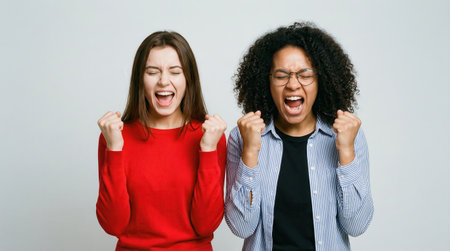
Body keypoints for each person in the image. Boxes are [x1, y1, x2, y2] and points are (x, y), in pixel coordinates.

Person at [225, 22, 374, 251]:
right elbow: (241, 228)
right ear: (267, 81)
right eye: (281, 75)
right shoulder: (242, 137)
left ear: (321, 80)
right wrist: (250, 153)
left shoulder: (349, 136)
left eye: (305, 75)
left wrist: (346, 152)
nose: (293, 85)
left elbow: (356, 225)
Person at [96, 31, 227, 251]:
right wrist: (115, 149)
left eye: (175, 72)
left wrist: (208, 149)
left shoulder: (210, 136)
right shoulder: (115, 136)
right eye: (152, 72)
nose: (163, 81)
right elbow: (113, 225)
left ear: (188, 79)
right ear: (140, 78)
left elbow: (206, 225)